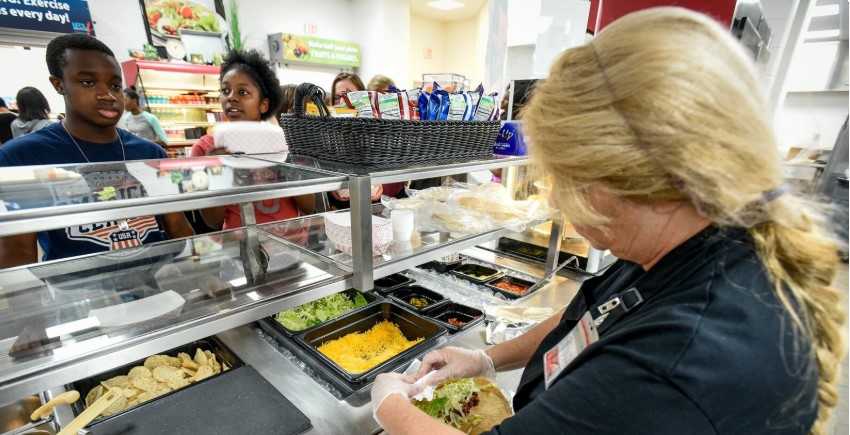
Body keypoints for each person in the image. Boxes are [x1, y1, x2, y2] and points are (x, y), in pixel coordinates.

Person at [370, 8, 846, 435]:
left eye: (568, 177)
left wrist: (391, 405)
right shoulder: (694, 242)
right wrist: (485, 358)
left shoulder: (677, 364)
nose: (555, 197)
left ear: (645, 178)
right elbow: (594, 316)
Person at [0, 34, 194, 268]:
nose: (108, 95)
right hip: (78, 294)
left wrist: (200, 272)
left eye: (115, 85)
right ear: (59, 84)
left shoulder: (150, 153)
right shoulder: (22, 157)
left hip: (161, 285)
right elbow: (18, 251)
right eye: (88, 82)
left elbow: (177, 227)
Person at [190, 49, 315, 231]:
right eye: (225, 90)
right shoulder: (205, 148)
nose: (231, 97)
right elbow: (213, 222)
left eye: (243, 91)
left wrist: (287, 158)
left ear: (264, 103)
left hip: (292, 245)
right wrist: (218, 171)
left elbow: (308, 206)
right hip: (240, 249)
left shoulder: (285, 142)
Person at [326, 72, 405, 208]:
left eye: (349, 96)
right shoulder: (326, 136)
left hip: (379, 211)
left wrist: (383, 188)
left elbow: (398, 176)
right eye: (337, 97)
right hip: (342, 212)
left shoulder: (381, 133)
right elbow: (321, 175)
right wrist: (331, 190)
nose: (342, 102)